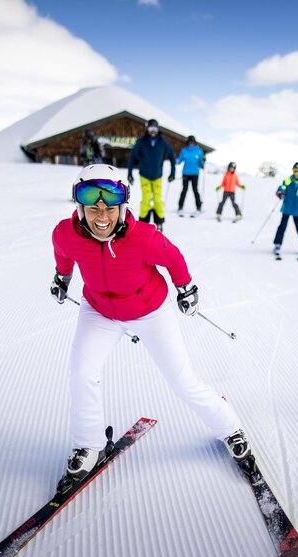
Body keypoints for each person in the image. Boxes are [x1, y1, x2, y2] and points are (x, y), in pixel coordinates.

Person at [50, 164, 251, 486]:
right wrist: (62, 277)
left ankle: (231, 429)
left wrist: (186, 288)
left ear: (122, 207)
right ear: (80, 208)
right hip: (100, 310)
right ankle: (89, 444)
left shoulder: (143, 237)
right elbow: (63, 254)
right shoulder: (65, 232)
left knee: (182, 380)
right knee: (82, 372)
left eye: (110, 209)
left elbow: (174, 258)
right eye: (93, 208)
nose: (102, 217)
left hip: (150, 310)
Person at [127, 119, 176, 231]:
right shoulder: (141, 142)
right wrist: (129, 173)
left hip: (157, 176)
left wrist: (173, 173)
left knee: (158, 200)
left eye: (155, 128)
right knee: (146, 199)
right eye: (150, 128)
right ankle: (143, 223)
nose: (153, 131)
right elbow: (132, 157)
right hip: (144, 175)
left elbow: (172, 156)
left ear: (158, 129)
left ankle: (159, 222)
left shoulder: (163, 142)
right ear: (147, 129)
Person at [176, 135, 205, 215]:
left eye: (193, 142)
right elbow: (180, 160)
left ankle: (198, 207)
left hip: (195, 173)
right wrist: (176, 161)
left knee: (195, 190)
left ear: (195, 143)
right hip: (185, 173)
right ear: (187, 143)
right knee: (184, 190)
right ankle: (180, 206)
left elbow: (201, 162)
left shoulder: (199, 151)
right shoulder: (184, 150)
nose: (191, 144)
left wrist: (203, 163)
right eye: (190, 142)